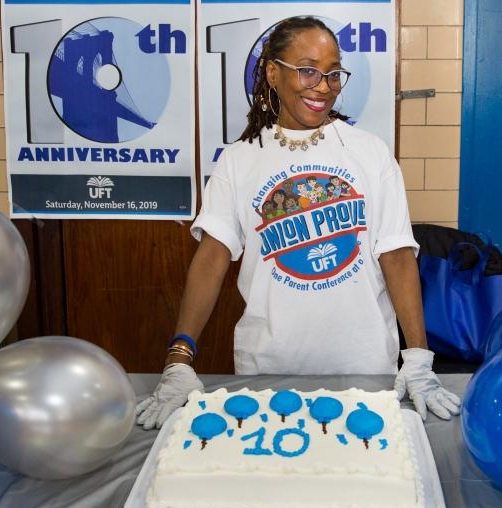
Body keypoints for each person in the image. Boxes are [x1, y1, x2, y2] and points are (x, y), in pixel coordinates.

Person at [136, 16, 461, 429]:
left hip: (365, 370)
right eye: (307, 70)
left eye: (332, 73)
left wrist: (417, 358)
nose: (323, 86)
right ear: (273, 72)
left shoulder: (370, 153)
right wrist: (179, 358)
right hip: (268, 373)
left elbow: (396, 255)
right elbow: (212, 258)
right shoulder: (240, 160)